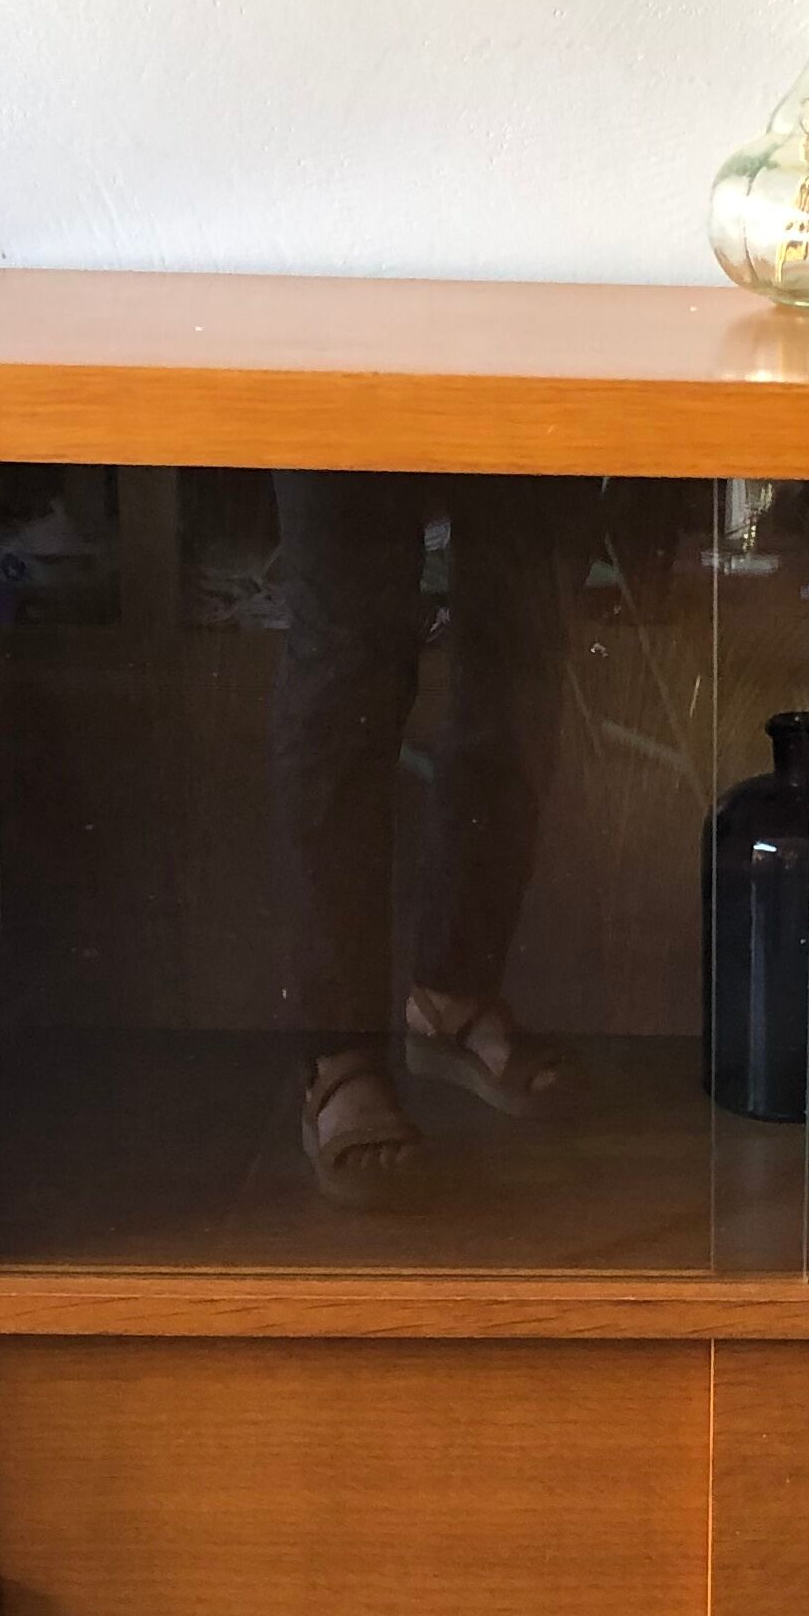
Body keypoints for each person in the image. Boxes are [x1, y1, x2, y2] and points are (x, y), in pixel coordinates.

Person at [269, 471, 566, 1189]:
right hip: (332, 363)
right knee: (345, 651)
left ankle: (452, 995)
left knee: (519, 637)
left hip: (520, 361)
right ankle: (340, 1051)